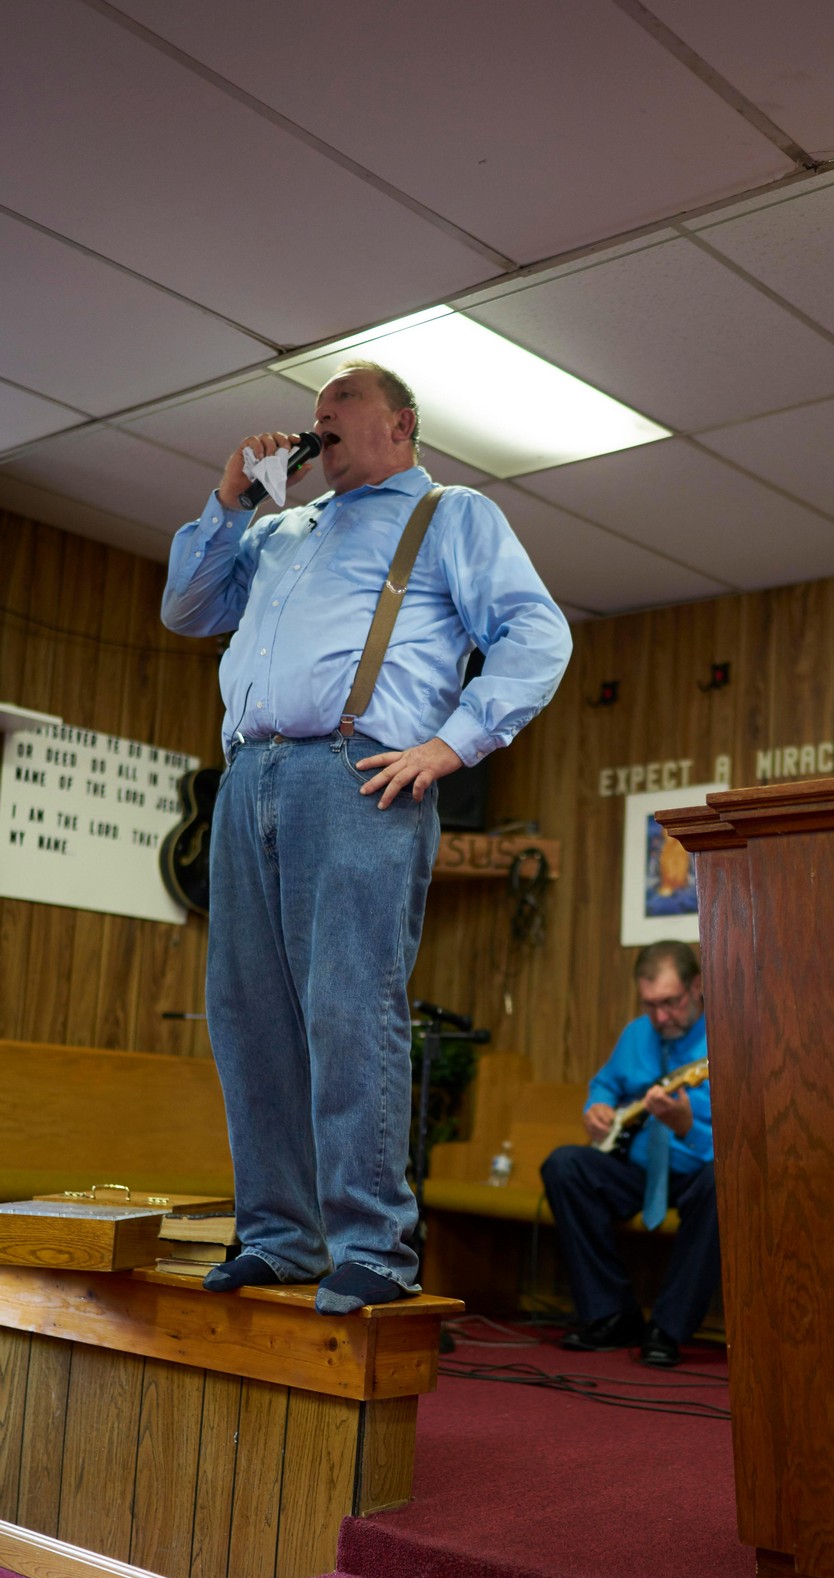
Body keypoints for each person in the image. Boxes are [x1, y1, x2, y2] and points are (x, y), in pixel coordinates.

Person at [161, 360, 571, 1314]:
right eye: (314, 413)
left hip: (358, 777)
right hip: (248, 777)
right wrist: (228, 502)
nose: (319, 421)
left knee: (350, 1008)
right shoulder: (280, 529)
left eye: (339, 407)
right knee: (248, 1016)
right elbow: (187, 610)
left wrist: (451, 743)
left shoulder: (452, 515)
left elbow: (537, 634)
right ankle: (279, 1235)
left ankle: (373, 1246)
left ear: (402, 423)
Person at [541, 941, 718, 1368]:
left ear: (697, 986)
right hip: (638, 1170)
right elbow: (605, 1084)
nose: (661, 1017)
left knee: (723, 1183)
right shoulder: (638, 1033)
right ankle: (611, 1313)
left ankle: (668, 1328)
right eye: (651, 1004)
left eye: (671, 1003)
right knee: (565, 1165)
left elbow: (746, 1140)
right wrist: (596, 1109)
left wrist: (686, 1126)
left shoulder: (723, 1039)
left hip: (698, 1171)